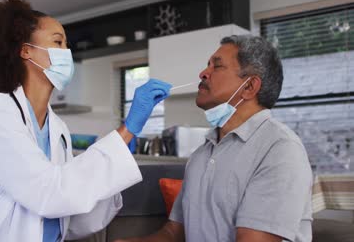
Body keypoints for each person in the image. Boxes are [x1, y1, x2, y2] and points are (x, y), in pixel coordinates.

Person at [0, 0, 171, 242]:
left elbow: (71, 218)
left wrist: (114, 166)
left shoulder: (58, 129)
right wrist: (126, 130)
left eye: (66, 45)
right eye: (58, 42)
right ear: (26, 50)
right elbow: (47, 192)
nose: (67, 53)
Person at [115, 35, 313, 242]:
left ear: (249, 87)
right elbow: (174, 232)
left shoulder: (280, 150)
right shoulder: (202, 154)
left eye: (216, 67)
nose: (203, 73)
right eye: (207, 65)